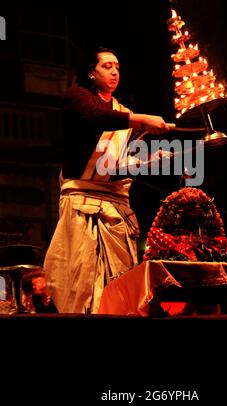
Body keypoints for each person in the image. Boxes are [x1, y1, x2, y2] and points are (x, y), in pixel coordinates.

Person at [44, 46, 169, 314]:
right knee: (83, 279)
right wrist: (139, 119)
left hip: (116, 208)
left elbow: (117, 167)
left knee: (120, 278)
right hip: (84, 203)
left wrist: (149, 162)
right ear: (91, 71)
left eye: (117, 67)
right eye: (107, 66)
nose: (114, 71)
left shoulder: (121, 112)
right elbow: (93, 117)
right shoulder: (77, 98)